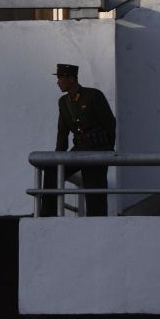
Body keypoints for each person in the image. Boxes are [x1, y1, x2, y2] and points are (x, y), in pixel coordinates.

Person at [52, 63, 116, 216]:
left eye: (61, 77)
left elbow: (110, 123)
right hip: (79, 149)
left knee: (95, 192)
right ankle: (48, 212)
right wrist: (57, 157)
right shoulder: (63, 102)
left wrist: (108, 151)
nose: (58, 81)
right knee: (52, 170)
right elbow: (62, 132)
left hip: (97, 149)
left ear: (71, 79)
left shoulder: (93, 95)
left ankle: (98, 224)